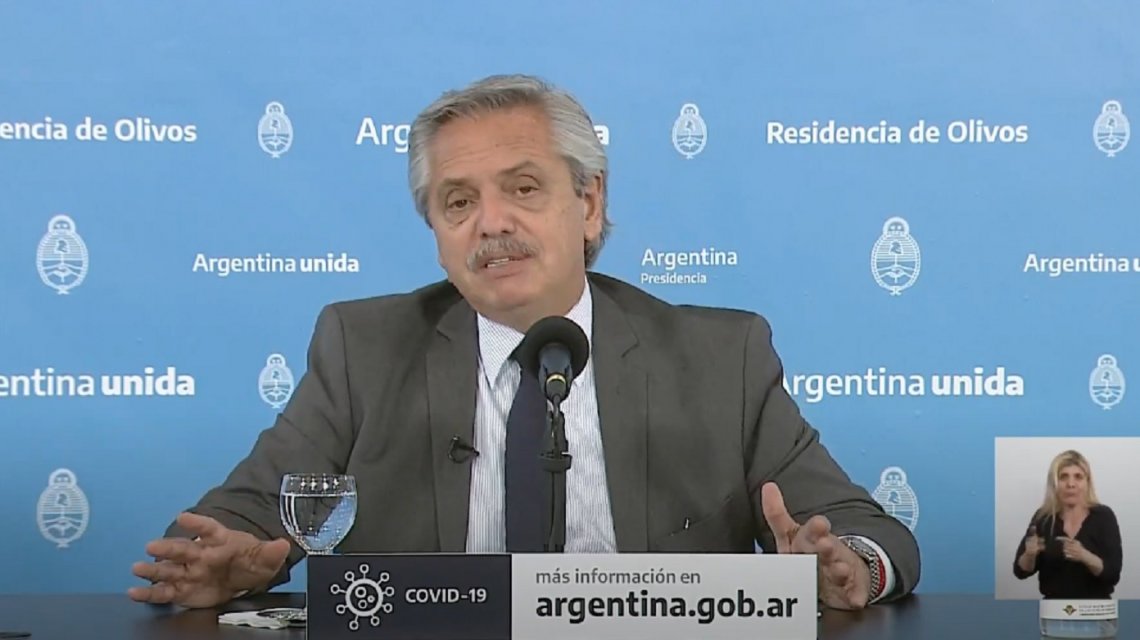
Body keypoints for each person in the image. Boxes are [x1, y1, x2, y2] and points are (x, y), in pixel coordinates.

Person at [128, 74, 920, 611]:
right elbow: (243, 514)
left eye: (524, 188)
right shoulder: (362, 348)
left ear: (589, 203)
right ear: (435, 230)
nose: (491, 223)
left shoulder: (721, 358)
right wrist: (230, 562)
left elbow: (870, 534)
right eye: (458, 201)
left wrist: (845, 566)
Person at [1013, 449, 1122, 598]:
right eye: (1063, 477)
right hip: (1054, 607)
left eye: (1078, 477)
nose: (1071, 484)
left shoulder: (1103, 516)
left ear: (1087, 482)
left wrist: (1084, 556)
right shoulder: (1043, 518)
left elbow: (1113, 575)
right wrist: (1030, 554)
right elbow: (1021, 572)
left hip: (1095, 607)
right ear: (1054, 483)